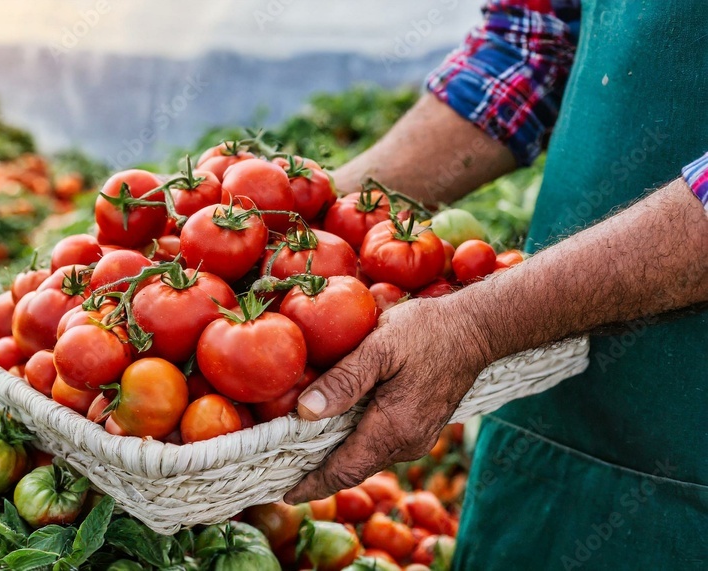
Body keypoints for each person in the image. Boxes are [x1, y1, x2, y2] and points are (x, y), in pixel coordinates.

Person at [283, 1, 708, 568]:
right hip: (545, 391)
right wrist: (302, 216)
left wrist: (478, 325)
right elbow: (529, 48)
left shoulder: (484, 323)